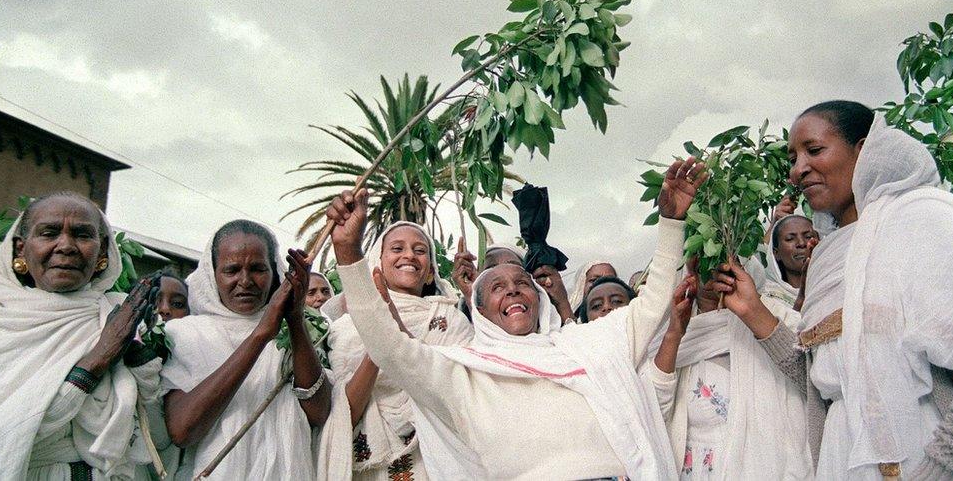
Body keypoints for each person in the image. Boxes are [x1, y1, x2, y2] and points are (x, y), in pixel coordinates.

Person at [326, 157, 707, 479]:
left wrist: (671, 224)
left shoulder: (586, 345)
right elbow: (388, 347)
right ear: (478, 312)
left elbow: (651, 304)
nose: (511, 290)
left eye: (522, 282)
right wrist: (348, 252)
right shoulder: (461, 373)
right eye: (495, 287)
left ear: (540, 298)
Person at [711, 101, 953, 479]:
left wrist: (942, 466)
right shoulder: (826, 256)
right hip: (840, 456)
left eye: (814, 151)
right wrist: (753, 312)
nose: (799, 170)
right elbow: (829, 380)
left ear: (863, 150)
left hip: (922, 449)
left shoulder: (921, 218)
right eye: (793, 158)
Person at [0, 191, 164, 479]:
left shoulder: (119, 314)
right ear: (21, 249)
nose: (66, 246)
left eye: (82, 235)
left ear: (103, 252)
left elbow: (154, 432)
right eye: (49, 233)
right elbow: (10, 435)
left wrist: (133, 351)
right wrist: (100, 355)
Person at [161, 220, 330, 479]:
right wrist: (261, 334)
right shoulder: (183, 335)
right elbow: (183, 431)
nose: (245, 281)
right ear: (212, 274)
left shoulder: (296, 331)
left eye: (258, 269)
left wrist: (294, 318)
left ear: (275, 272)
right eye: (231, 270)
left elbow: (319, 413)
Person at [316, 221, 473, 481]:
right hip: (372, 469)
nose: (409, 255)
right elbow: (346, 413)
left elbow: (455, 393)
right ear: (378, 263)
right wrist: (379, 332)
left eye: (420, 250)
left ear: (432, 272)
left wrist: (394, 331)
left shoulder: (451, 321)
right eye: (397, 248)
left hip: (436, 461)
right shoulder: (348, 327)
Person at [650, 257, 812, 479]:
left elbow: (814, 382)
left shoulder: (778, 316)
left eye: (719, 256)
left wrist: (753, 313)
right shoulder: (669, 330)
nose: (710, 264)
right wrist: (674, 335)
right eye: (700, 256)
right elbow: (650, 414)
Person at [762, 213, 818, 310]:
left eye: (808, 236)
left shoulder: (836, 286)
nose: (801, 243)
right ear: (776, 253)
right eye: (790, 239)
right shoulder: (766, 297)